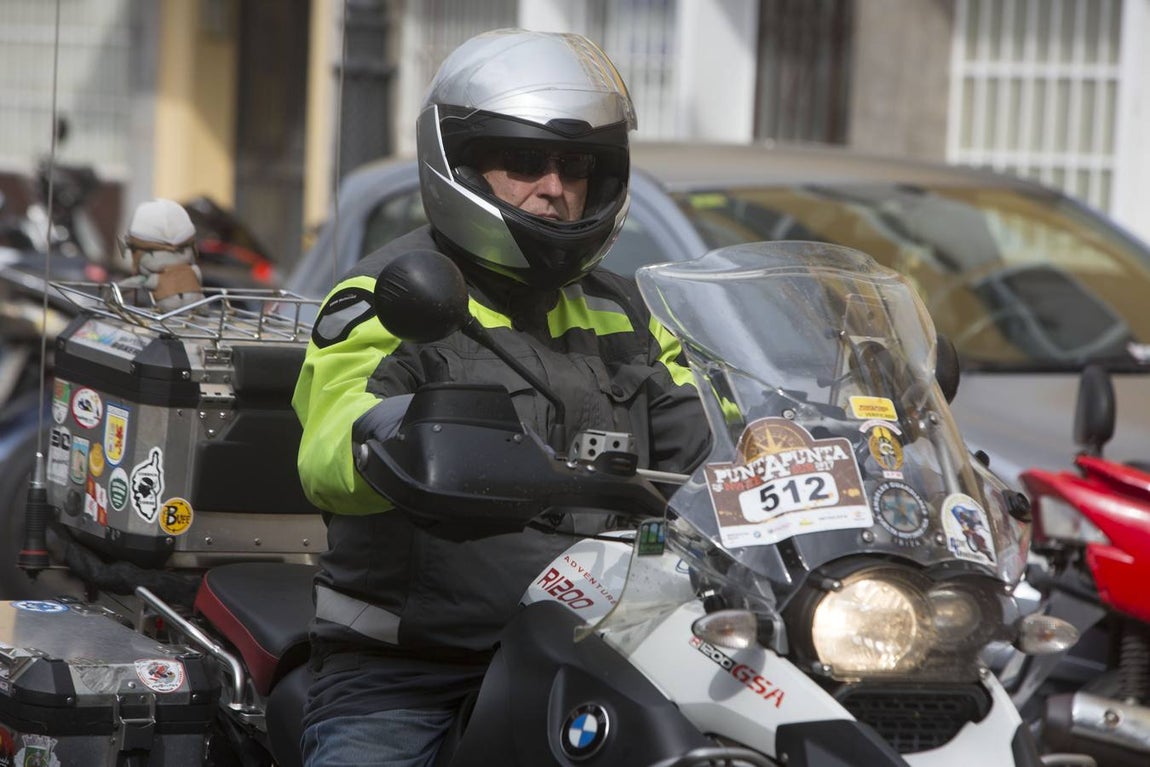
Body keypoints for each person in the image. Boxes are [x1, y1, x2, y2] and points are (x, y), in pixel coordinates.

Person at [292, 28, 710, 767]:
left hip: (614, 647)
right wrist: (403, 436)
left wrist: (797, 447)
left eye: (576, 164)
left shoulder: (629, 312)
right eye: (523, 161)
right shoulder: (387, 298)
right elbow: (329, 450)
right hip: (419, 669)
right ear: (458, 164)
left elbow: (707, 437)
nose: (555, 186)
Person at [117, 198, 204, 312]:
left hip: (168, 312)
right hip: (197, 307)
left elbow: (133, 283)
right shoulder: (194, 270)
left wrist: (113, 293)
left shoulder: (153, 278)